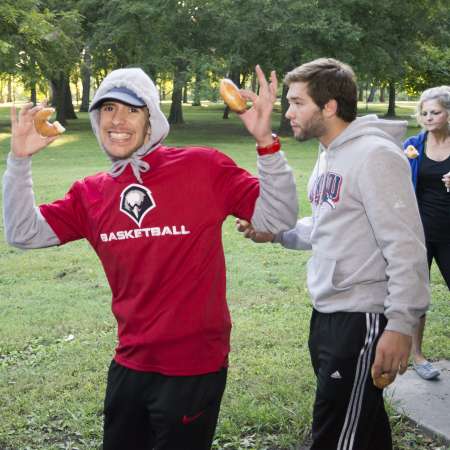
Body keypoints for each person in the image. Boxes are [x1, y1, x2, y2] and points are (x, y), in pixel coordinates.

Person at [2, 66, 298, 450]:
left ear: (151, 120)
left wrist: (265, 142)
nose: (118, 120)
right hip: (129, 362)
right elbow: (23, 233)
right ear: (96, 120)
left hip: (194, 366)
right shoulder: (90, 194)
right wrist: (19, 161)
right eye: (107, 108)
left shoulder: (203, 167)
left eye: (132, 109)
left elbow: (278, 218)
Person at [236, 58, 430, 450]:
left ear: (329, 107)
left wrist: (399, 326)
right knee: (363, 424)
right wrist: (276, 233)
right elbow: (328, 224)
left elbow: (406, 245)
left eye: (297, 103)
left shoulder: (375, 155)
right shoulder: (330, 154)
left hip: (362, 318)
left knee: (334, 431)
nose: (287, 113)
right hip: (328, 312)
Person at [402, 86, 450, 380]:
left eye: (436, 112)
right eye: (425, 112)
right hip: (418, 233)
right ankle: (417, 356)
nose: (429, 117)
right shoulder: (413, 145)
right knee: (418, 296)